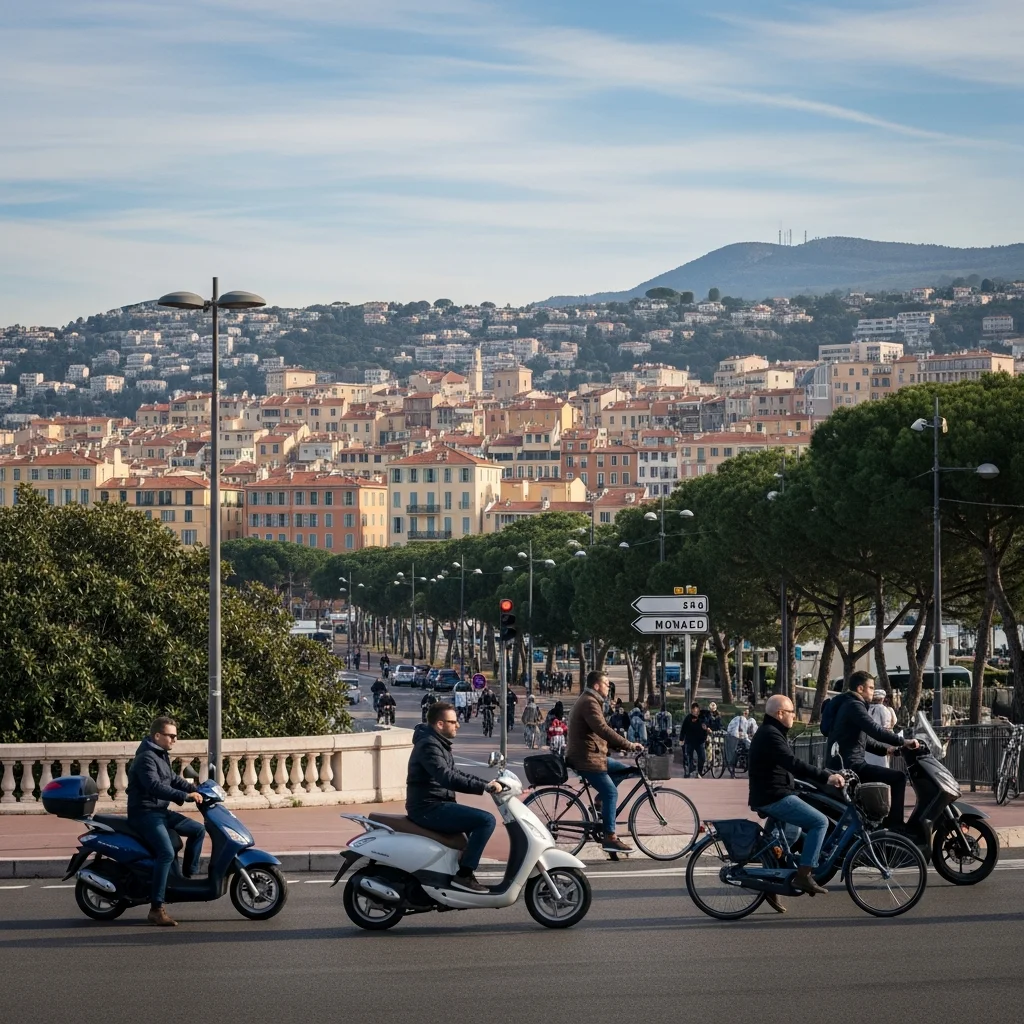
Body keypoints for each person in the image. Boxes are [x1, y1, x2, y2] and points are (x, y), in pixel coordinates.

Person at [748, 695, 846, 911]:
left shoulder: (772, 732)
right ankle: (804, 875)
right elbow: (792, 763)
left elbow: (787, 767)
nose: (794, 716)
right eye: (791, 711)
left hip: (773, 793)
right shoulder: (771, 735)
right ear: (780, 713)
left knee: (790, 835)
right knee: (819, 822)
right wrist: (826, 777)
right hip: (774, 797)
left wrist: (820, 776)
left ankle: (770, 884)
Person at [406, 702, 503, 893]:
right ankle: (464, 875)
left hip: (436, 803)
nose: (458, 725)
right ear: (440, 724)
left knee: (473, 824)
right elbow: (446, 777)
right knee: (486, 821)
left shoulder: (436, 743)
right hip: (428, 807)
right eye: (453, 722)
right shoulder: (428, 745)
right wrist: (484, 787)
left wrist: (485, 783)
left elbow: (455, 773)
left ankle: (455, 871)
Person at [126, 716, 205, 927]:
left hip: (160, 811)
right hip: (145, 813)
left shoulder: (161, 754)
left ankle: (186, 878)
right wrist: (184, 796)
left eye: (175, 736)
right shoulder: (145, 758)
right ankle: (156, 909)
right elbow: (154, 786)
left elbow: (172, 779)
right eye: (171, 736)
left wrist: (196, 788)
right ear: (157, 736)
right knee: (166, 853)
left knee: (198, 830)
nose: (174, 740)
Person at [827, 671, 919, 830]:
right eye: (870, 687)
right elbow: (875, 730)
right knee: (898, 778)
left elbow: (863, 740)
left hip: (847, 764)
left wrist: (888, 750)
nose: (873, 691)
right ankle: (895, 826)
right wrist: (904, 741)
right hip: (852, 767)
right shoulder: (854, 705)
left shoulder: (847, 704)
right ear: (860, 688)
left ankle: (878, 827)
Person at [565, 671, 644, 854]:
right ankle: (610, 837)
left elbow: (598, 734)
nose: (609, 687)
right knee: (611, 792)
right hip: (586, 759)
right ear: (596, 686)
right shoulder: (589, 702)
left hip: (593, 756)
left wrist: (618, 746)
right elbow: (602, 729)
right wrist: (628, 745)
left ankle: (600, 802)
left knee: (624, 770)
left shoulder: (591, 701)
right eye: (606, 683)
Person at [865, 688, 898, 767]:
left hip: (868, 741)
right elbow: (889, 725)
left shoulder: (866, 708)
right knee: (882, 764)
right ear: (882, 698)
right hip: (881, 740)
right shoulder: (885, 709)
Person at [679, 702, 710, 778]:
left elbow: (707, 726)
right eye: (693, 711)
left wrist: (706, 729)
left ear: (699, 710)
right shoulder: (688, 718)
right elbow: (683, 729)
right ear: (691, 711)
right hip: (690, 741)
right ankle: (689, 770)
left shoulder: (703, 717)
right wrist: (681, 739)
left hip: (700, 741)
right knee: (689, 756)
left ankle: (699, 772)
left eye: (696, 711)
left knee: (702, 757)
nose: (695, 713)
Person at [726, 707, 755, 778]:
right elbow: (739, 732)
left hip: (742, 738)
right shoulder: (740, 719)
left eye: (747, 713)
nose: (746, 714)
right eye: (745, 713)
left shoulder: (749, 720)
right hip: (736, 739)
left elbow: (752, 731)